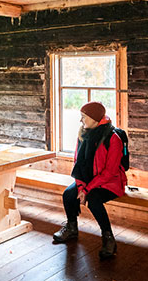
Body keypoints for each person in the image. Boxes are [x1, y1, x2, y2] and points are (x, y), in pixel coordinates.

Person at [52, 101, 126, 260]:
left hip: (110, 182)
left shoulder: (113, 138)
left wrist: (86, 190)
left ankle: (108, 238)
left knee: (93, 199)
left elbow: (110, 172)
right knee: (68, 195)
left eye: (83, 117)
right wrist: (80, 187)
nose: (81, 120)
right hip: (88, 179)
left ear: (94, 118)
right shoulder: (82, 134)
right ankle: (71, 228)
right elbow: (77, 162)